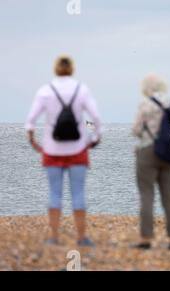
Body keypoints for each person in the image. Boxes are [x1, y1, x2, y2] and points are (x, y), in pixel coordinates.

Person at [25, 55, 102, 247]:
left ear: (55, 69)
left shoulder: (45, 91)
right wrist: (95, 139)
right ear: (72, 69)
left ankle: (53, 237)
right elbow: (96, 117)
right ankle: (82, 238)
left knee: (54, 193)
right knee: (78, 193)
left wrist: (33, 141)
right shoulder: (81, 90)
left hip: (52, 149)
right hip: (78, 150)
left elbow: (31, 120)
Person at [132, 73, 170, 250]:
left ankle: (146, 238)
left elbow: (136, 130)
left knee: (147, 194)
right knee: (169, 196)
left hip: (148, 150)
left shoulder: (146, 104)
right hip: (169, 152)